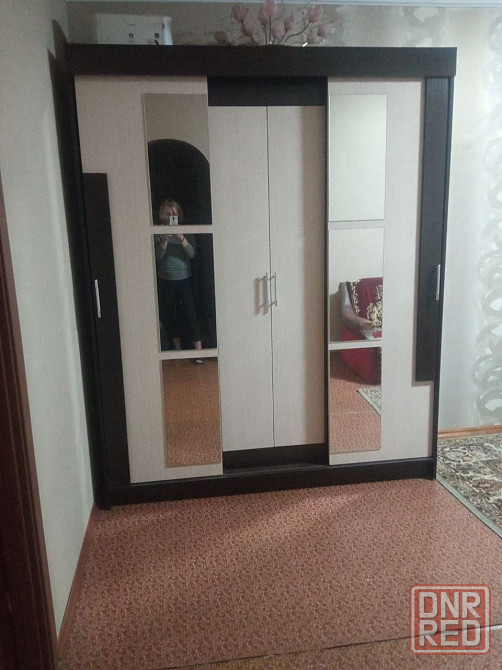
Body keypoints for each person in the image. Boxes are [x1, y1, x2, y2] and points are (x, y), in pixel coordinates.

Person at [154, 199, 202, 361]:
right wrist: (165, 240)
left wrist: (181, 238)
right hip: (165, 278)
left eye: (173, 214)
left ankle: (198, 351)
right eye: (168, 214)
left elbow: (192, 254)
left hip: (184, 278)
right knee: (170, 314)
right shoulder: (157, 231)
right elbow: (157, 257)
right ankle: (177, 349)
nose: (171, 217)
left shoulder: (186, 231)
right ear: (162, 215)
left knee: (190, 313)